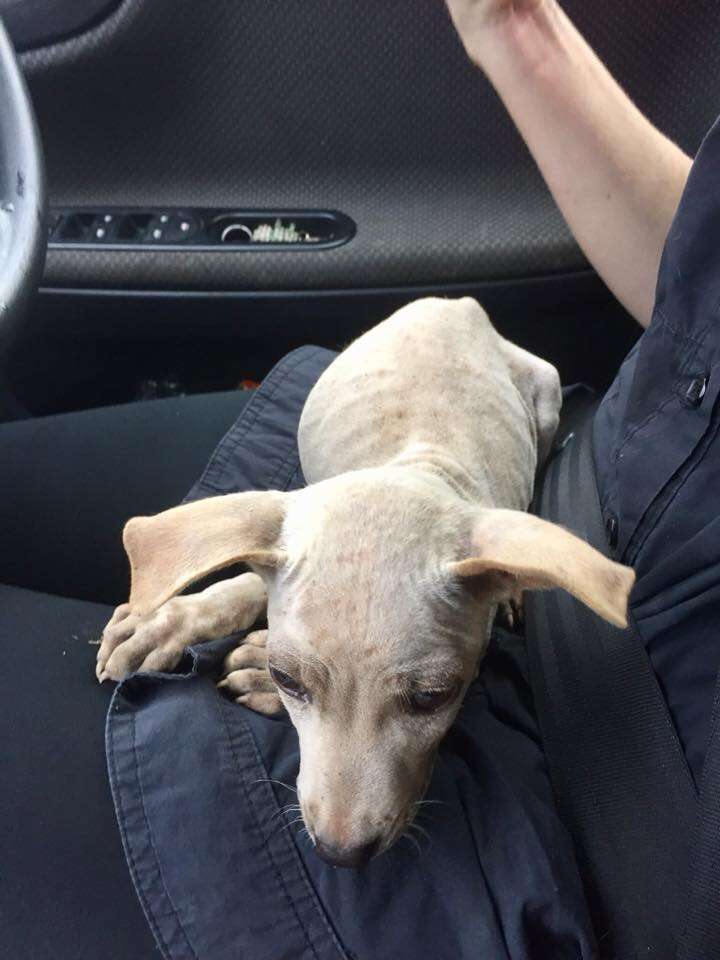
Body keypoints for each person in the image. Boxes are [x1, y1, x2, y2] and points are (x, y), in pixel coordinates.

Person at [1, 2, 718, 957]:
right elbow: (700, 282)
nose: (341, 822)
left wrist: (308, 648)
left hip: (642, 779)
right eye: (299, 682)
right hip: (600, 468)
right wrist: (516, 27)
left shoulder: (499, 598)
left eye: (420, 698)